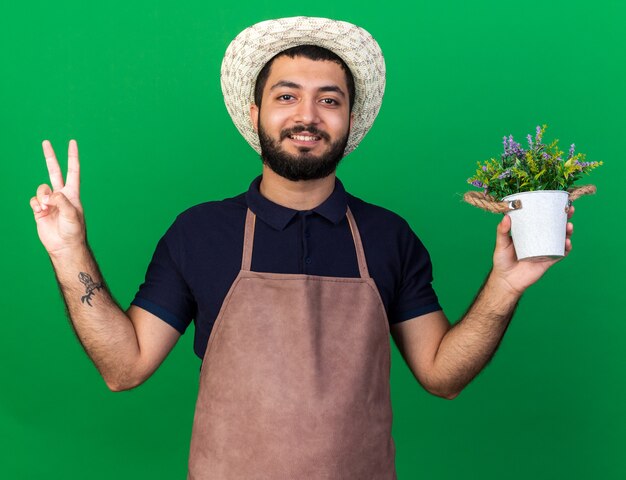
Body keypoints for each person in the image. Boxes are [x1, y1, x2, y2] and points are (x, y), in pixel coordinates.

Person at [30, 16, 574, 479]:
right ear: (255, 114)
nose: (306, 116)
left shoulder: (389, 237)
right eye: (286, 96)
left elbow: (442, 376)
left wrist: (505, 285)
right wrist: (69, 251)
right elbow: (123, 368)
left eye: (328, 100)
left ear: (349, 121)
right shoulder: (199, 233)